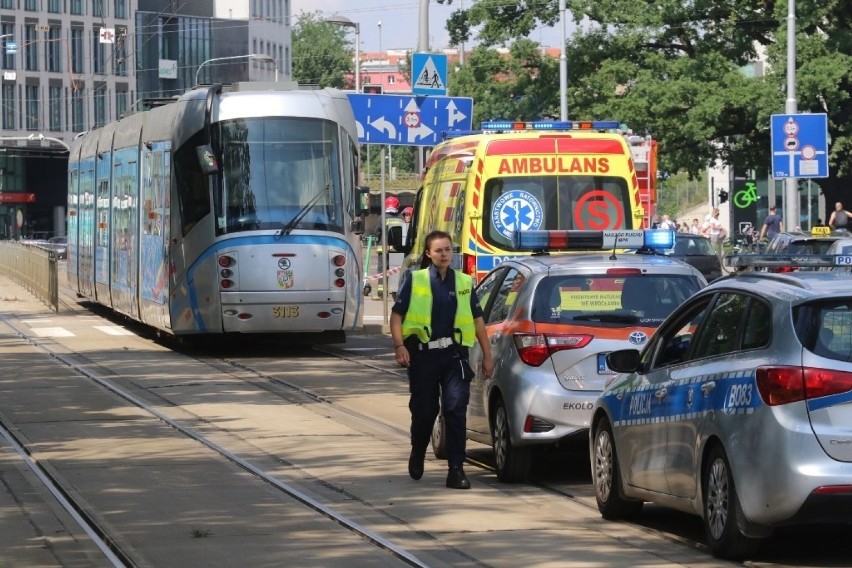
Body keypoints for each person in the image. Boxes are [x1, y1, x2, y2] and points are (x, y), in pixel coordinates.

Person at [390, 230, 494, 490]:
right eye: (438, 250)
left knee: (455, 408)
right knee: (425, 411)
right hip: (423, 356)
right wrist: (399, 346)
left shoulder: (463, 282)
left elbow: (478, 320)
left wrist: (488, 356)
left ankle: (456, 469)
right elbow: (396, 316)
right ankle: (417, 450)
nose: (444, 254)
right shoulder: (416, 280)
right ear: (429, 253)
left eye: (448, 249)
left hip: (454, 355)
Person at [374, 196, 404, 273]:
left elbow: (377, 233)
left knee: (382, 270)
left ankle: (382, 284)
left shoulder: (382, 217)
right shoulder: (401, 218)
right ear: (397, 205)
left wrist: (377, 241)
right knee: (396, 271)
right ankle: (395, 285)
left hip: (384, 249)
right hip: (397, 249)